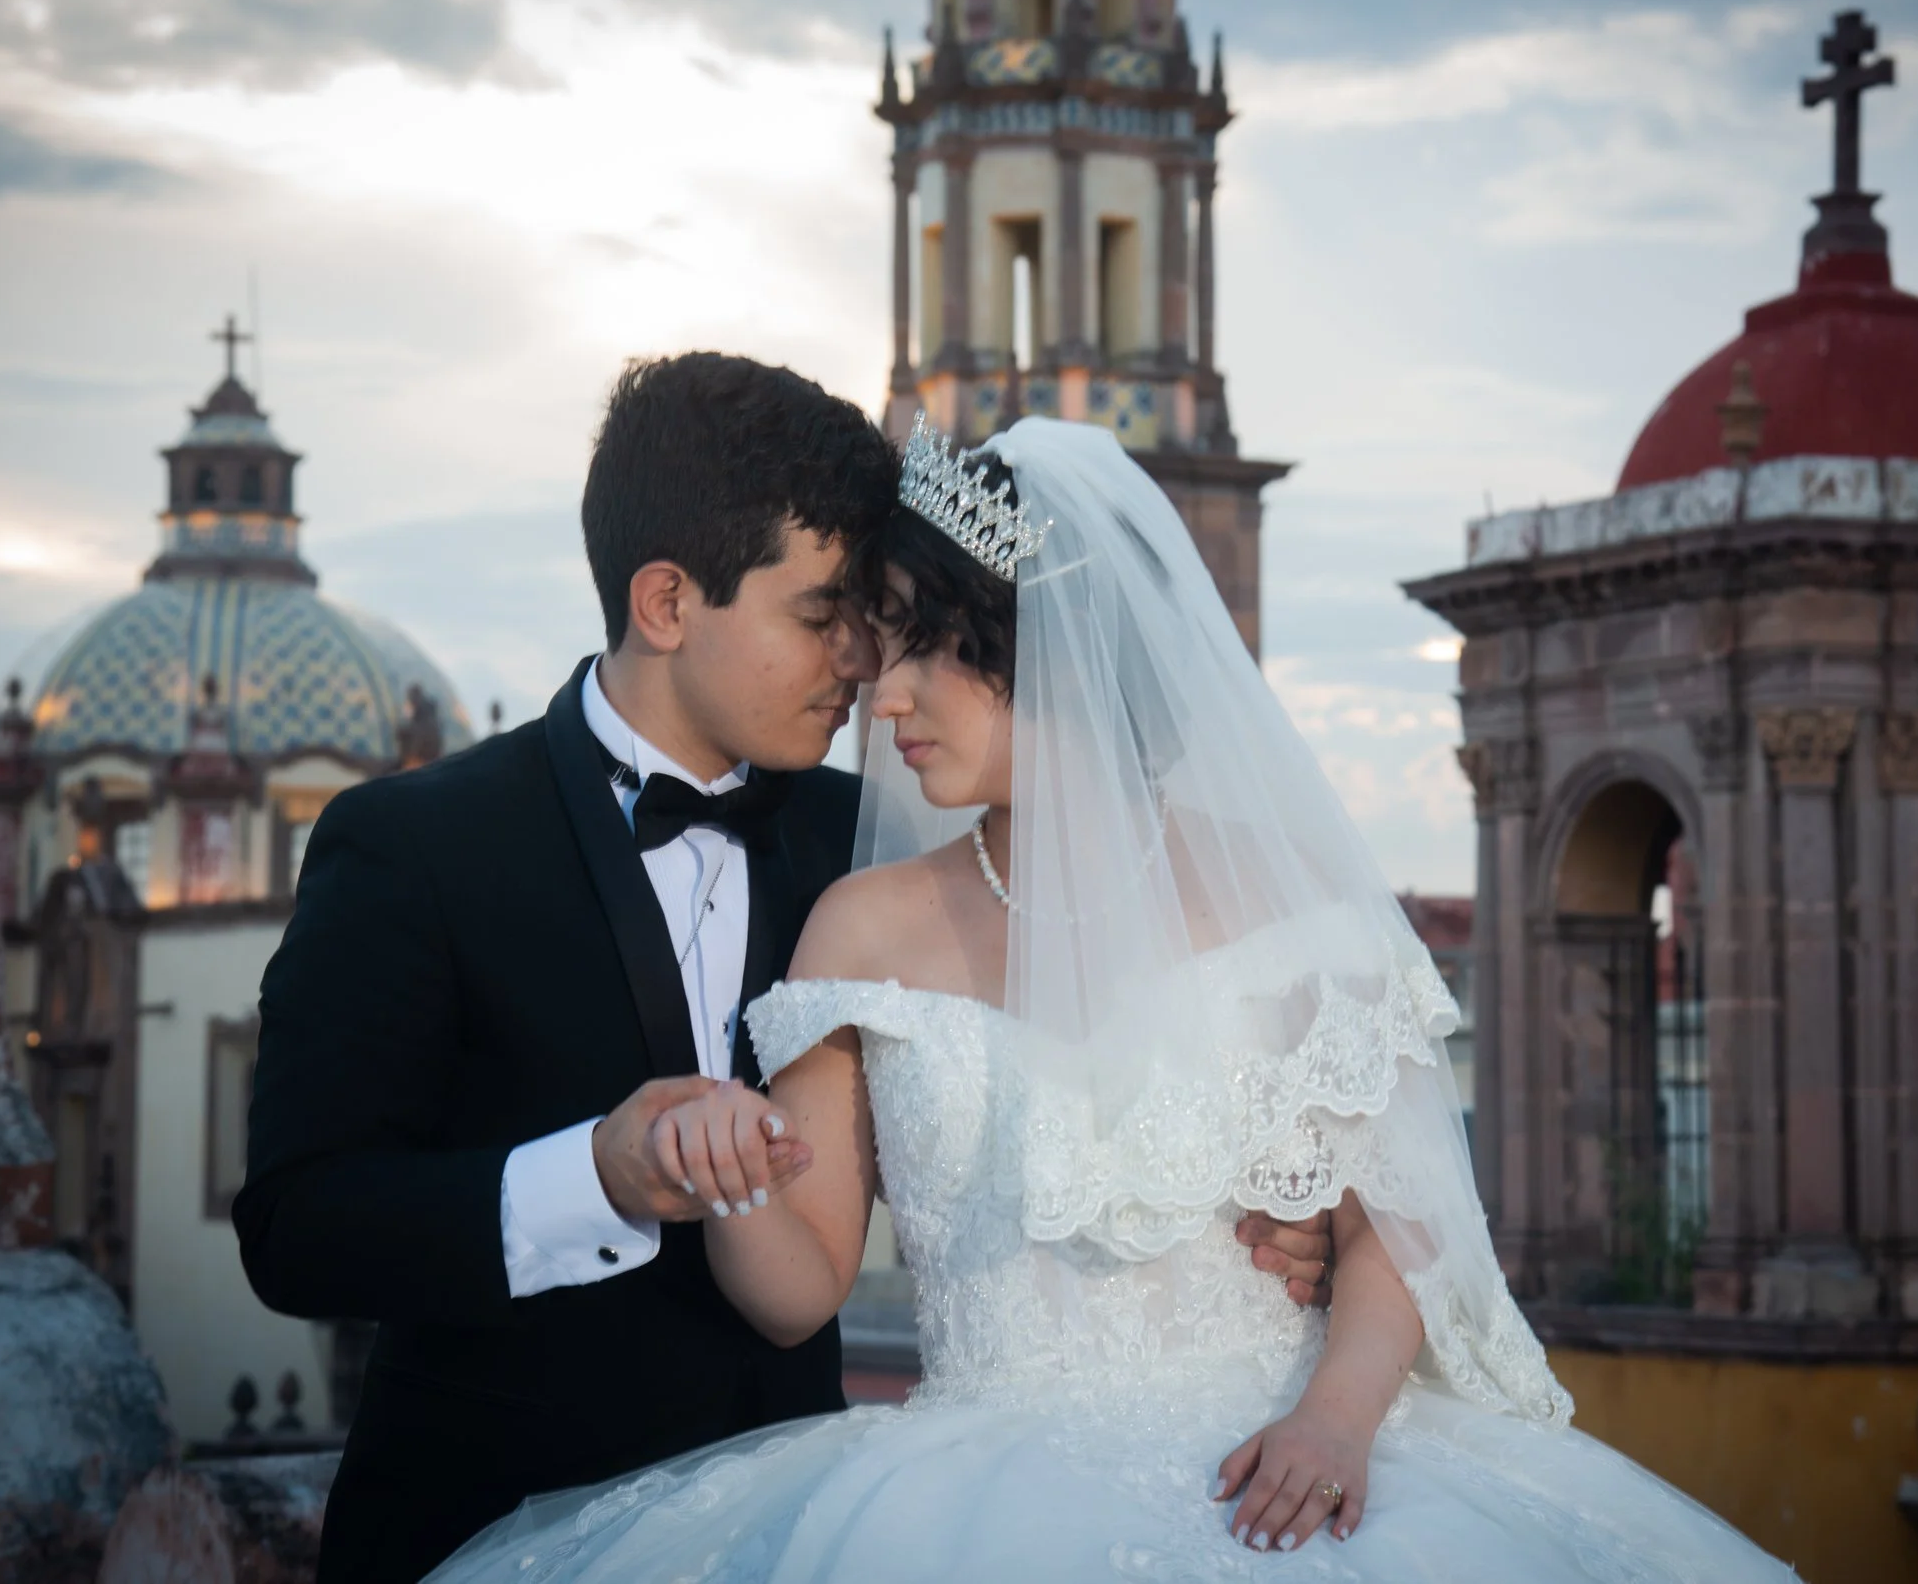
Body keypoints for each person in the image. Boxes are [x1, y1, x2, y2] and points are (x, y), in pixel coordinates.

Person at [427, 417, 1799, 1581]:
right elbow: (798, 1294)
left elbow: (1405, 1222)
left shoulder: (1289, 900)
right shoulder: (866, 922)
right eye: (872, 649)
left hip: (1288, 1463)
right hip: (967, 1494)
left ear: (1050, 644)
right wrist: (718, 1168)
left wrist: (1333, 1421)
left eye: (919, 649)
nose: (876, 693)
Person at [234, 355, 1345, 1583]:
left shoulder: (879, 842)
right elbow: (298, 1227)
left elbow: (1113, 1059)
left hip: (813, 1534)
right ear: (666, 603)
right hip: (495, 1519)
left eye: (877, 620)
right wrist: (591, 1176)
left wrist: (1279, 1228)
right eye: (824, 617)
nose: (866, 662)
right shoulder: (412, 845)